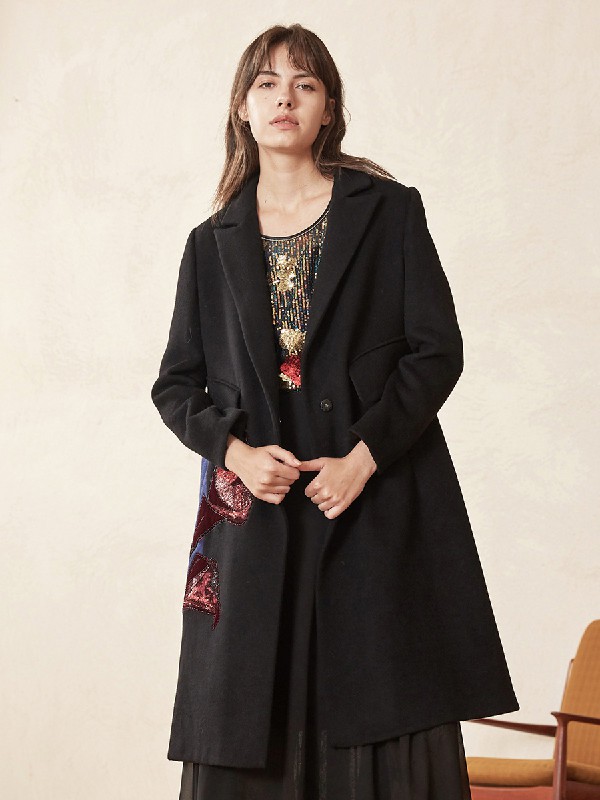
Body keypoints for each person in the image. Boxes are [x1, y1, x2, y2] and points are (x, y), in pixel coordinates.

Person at [151, 22, 519, 800]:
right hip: (256, 522)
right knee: (248, 717)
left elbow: (436, 351)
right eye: (267, 83)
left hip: (376, 504)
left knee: (387, 705)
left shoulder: (388, 213)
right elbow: (176, 385)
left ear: (329, 109)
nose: (284, 97)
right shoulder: (208, 244)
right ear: (242, 108)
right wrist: (237, 454)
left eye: (305, 83)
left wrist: (364, 457)